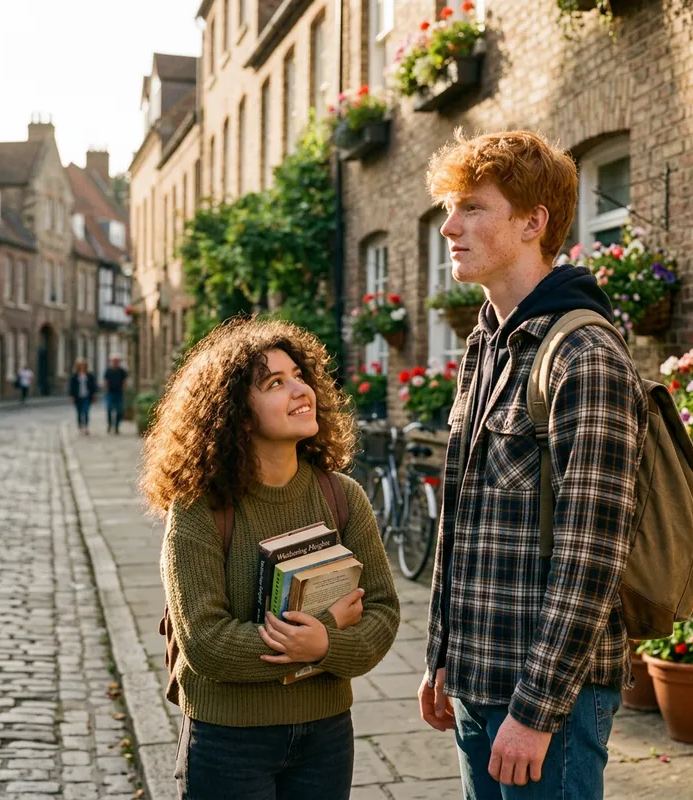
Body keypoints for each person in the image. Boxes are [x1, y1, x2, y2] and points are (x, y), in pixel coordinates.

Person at [417, 130, 649, 799]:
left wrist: (535, 710)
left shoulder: (584, 356)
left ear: (532, 222)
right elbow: (462, 521)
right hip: (475, 682)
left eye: (472, 208)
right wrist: (442, 659)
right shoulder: (487, 343)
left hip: (549, 703)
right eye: (448, 209)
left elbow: (592, 555)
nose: (450, 227)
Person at [140, 317, 400, 800]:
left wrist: (325, 646)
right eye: (275, 383)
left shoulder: (344, 496)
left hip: (326, 734)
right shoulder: (200, 508)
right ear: (236, 414)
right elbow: (206, 643)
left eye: (299, 376)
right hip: (228, 741)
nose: (300, 390)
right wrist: (321, 629)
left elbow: (383, 614)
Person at [68, 358, 97, 435]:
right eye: (80, 365)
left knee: (86, 411)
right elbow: (71, 387)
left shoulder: (89, 375)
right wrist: (71, 396)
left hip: (86, 396)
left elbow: (93, 386)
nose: (82, 366)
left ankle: (86, 427)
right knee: (79, 412)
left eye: (84, 365)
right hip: (78, 396)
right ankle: (80, 427)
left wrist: (94, 395)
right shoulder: (74, 376)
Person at [104, 355, 127, 434]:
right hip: (110, 393)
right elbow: (106, 381)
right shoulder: (108, 371)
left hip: (119, 393)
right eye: (114, 361)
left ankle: (117, 427)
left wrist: (123, 391)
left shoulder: (122, 371)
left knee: (119, 411)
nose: (115, 362)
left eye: (116, 361)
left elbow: (124, 381)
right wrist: (106, 390)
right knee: (109, 409)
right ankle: (110, 424)